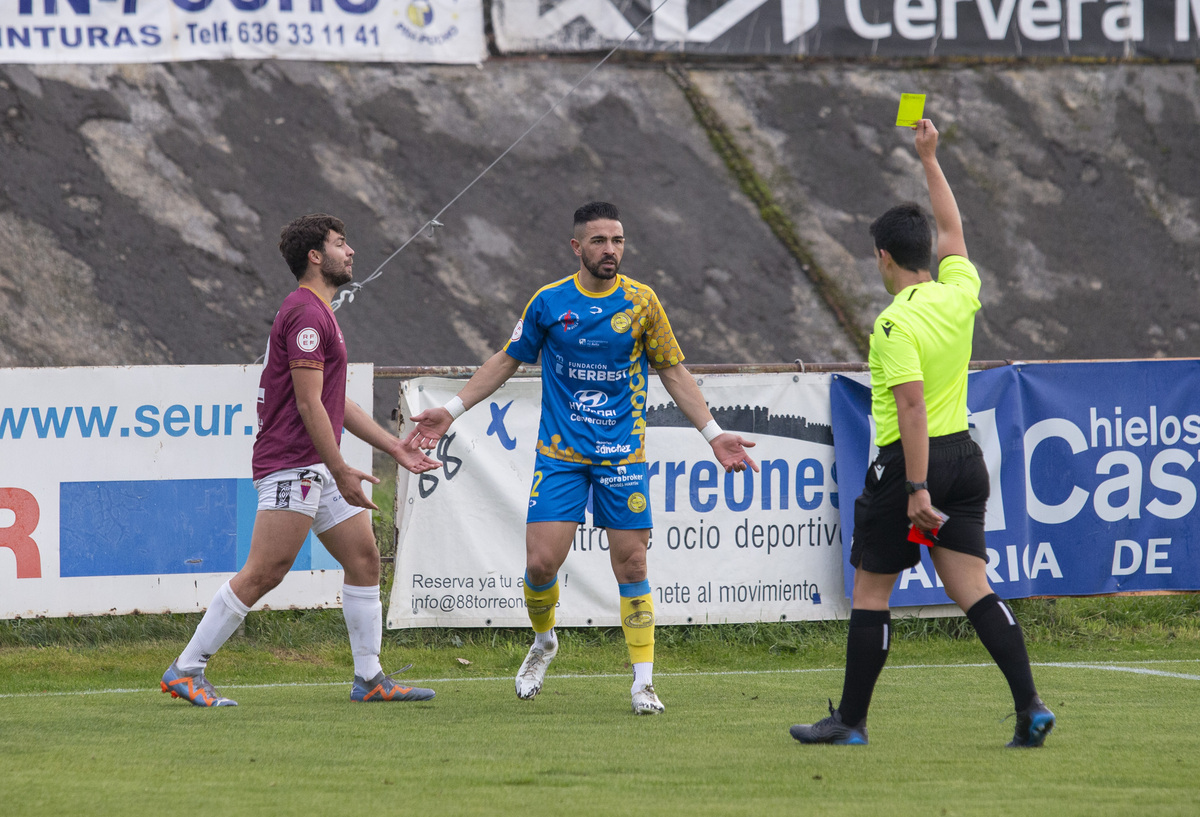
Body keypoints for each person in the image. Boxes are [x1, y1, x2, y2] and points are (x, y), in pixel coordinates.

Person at [406, 201, 758, 714]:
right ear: (577, 247)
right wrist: (453, 409)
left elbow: (674, 371)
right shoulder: (549, 302)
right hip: (560, 456)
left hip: (622, 456)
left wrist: (713, 433)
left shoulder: (643, 302)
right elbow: (508, 358)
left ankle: (643, 682)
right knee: (540, 563)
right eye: (599, 241)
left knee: (633, 561)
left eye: (617, 240)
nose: (610, 249)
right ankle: (545, 641)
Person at [789, 121, 1054, 748]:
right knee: (974, 589)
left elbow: (910, 408)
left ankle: (850, 722)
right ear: (926, 255)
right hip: (965, 456)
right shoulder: (959, 293)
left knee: (871, 590)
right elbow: (955, 232)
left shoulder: (893, 324)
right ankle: (1030, 706)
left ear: (883, 257)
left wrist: (913, 487)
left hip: (915, 465)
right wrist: (930, 160)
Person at [162, 213, 442, 707]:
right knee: (267, 570)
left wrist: (394, 447)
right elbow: (310, 404)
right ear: (315, 257)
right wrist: (340, 470)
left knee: (364, 558)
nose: (351, 250)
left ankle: (370, 678)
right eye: (340, 243)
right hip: (294, 463)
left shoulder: (318, 311)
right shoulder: (308, 315)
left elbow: (337, 402)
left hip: (314, 465)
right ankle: (186, 669)